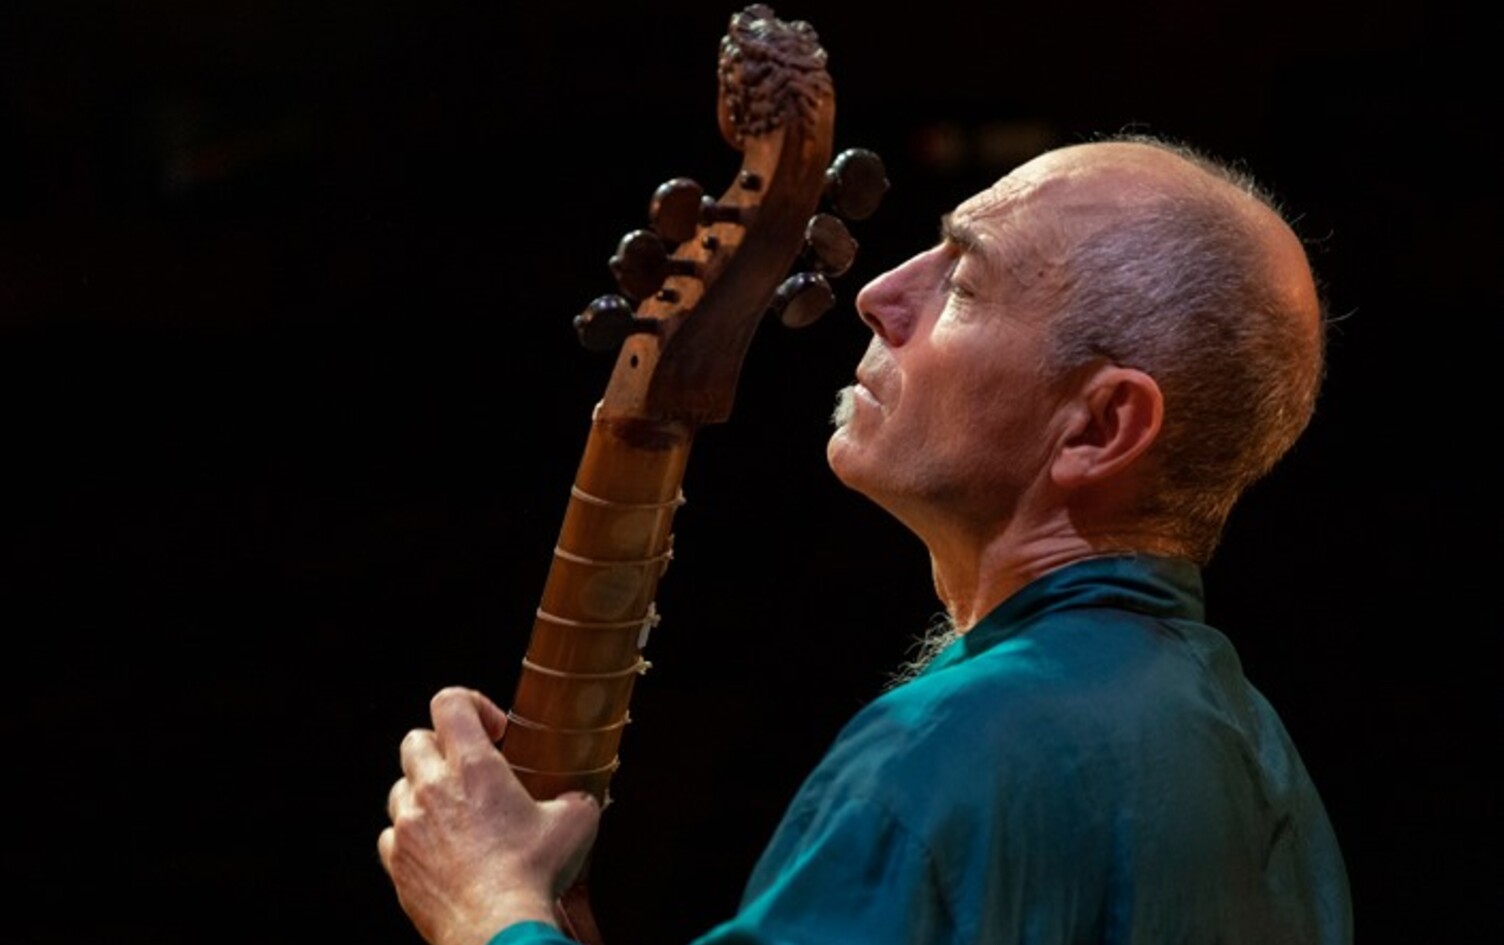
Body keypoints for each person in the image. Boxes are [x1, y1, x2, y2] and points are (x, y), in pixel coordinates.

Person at [376, 133, 1354, 945]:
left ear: (1101, 428)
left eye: (964, 283)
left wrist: (486, 907)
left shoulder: (957, 745)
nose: (880, 294)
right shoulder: (1267, 774)